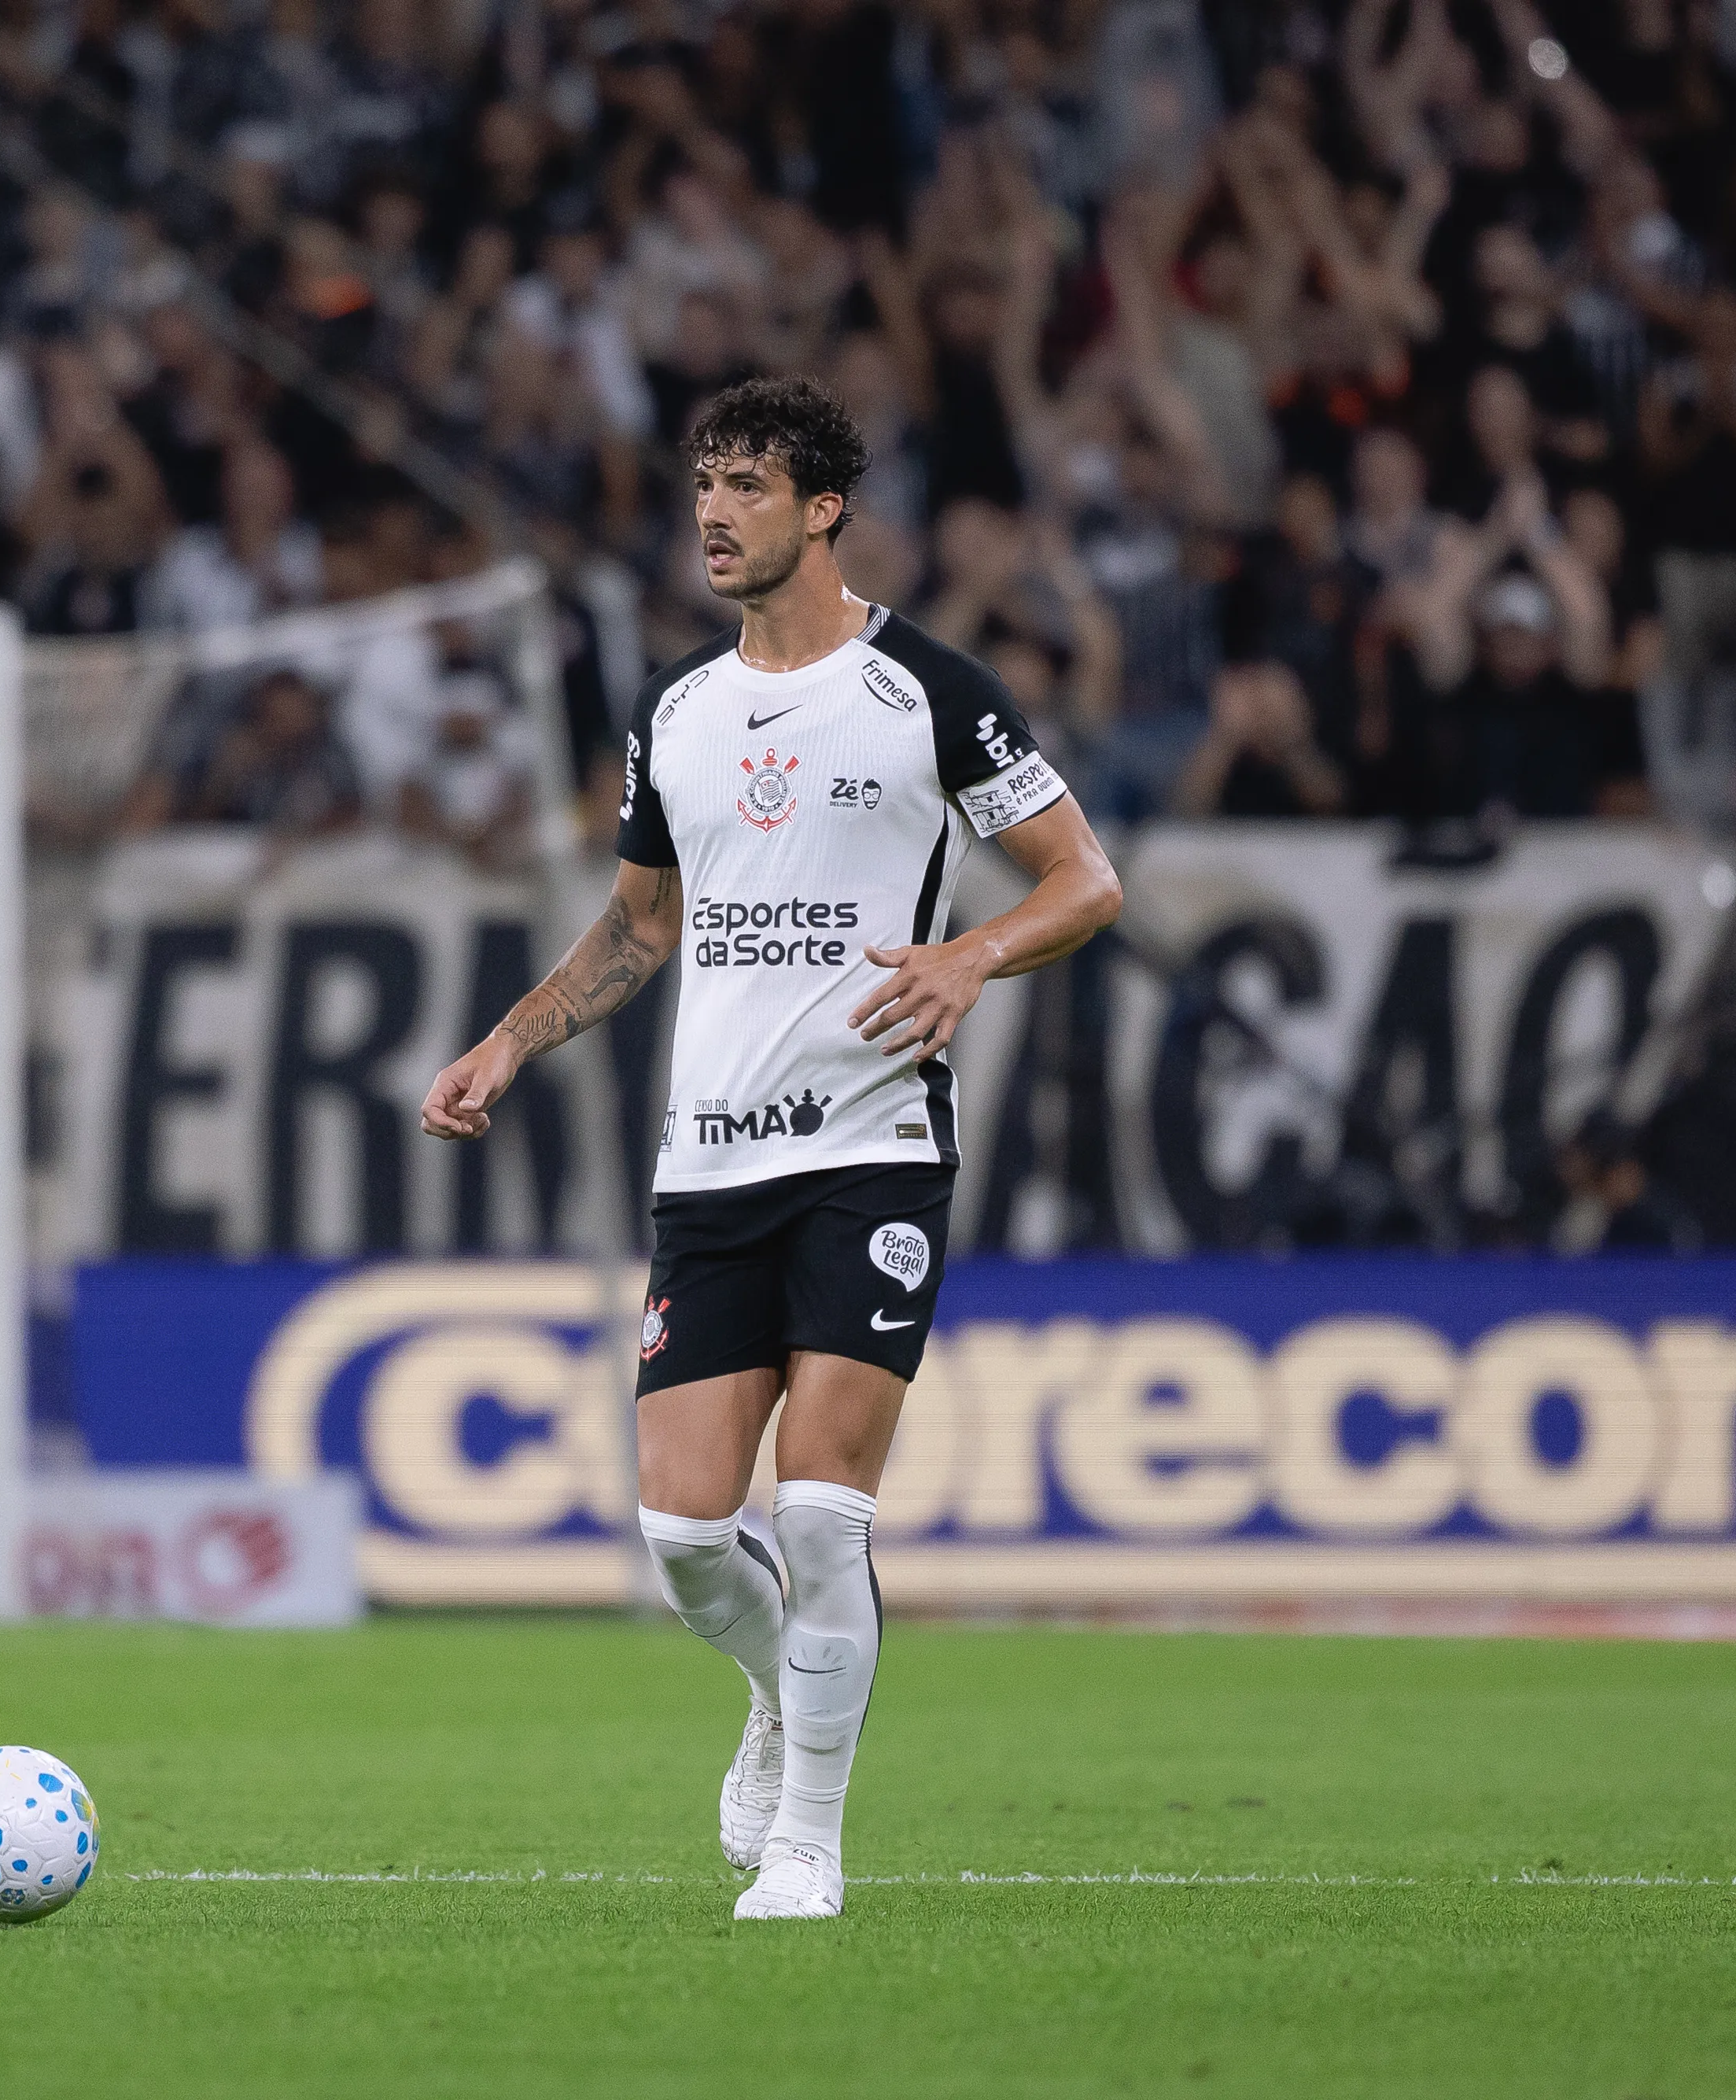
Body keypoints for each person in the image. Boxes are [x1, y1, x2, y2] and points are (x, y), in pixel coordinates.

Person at [418, 377, 1121, 1921]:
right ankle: (773, 1694)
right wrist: (506, 1039)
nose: (711, 516)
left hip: (870, 1149)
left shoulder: (926, 692)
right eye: (699, 490)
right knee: (682, 1533)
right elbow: (638, 927)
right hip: (709, 1160)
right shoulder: (673, 710)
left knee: (818, 1509)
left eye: (743, 486)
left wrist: (969, 955)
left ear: (819, 506)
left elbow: (1081, 880)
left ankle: (809, 1836)